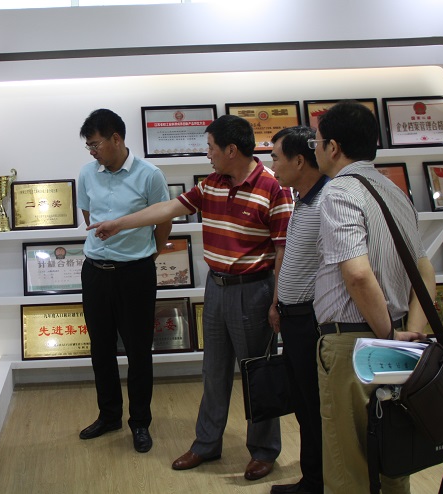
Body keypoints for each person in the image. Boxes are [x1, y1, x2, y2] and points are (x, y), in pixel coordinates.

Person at [89, 114, 293, 480]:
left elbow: (283, 251)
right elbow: (168, 209)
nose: (207, 154)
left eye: (211, 147)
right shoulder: (211, 183)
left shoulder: (272, 187)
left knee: (256, 373)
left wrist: (278, 301)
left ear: (231, 150)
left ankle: (264, 451)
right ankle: (206, 443)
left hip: (254, 291)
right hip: (217, 287)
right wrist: (118, 224)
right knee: (213, 371)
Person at [311, 101, 433, 493]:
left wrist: (387, 336)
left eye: (317, 142)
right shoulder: (395, 191)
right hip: (396, 334)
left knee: (349, 463)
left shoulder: (338, 191)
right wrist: (407, 336)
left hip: (354, 342)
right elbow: (425, 272)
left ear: (332, 147)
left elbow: (358, 274)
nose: (316, 149)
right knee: (392, 453)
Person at [76, 109, 172, 454]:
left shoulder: (150, 175)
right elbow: (89, 216)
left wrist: (150, 254)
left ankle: (140, 422)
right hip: (95, 272)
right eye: (89, 146)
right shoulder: (87, 173)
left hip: (135, 274)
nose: (92, 152)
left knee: (138, 351)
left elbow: (164, 220)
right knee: (100, 348)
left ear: (116, 138)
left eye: (96, 144)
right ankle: (109, 415)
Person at [269, 126, 328, 494]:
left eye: (276, 157)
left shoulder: (327, 203)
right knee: (304, 405)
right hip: (293, 319)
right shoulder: (302, 200)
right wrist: (278, 302)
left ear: (300, 160)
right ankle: (313, 479)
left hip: (313, 321)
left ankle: (319, 483)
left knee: (316, 406)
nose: (272, 165)